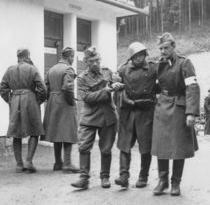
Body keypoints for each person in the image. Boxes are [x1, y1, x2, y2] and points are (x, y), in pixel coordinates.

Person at [151, 33, 200, 196]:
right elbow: (154, 85)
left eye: (166, 48)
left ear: (173, 46)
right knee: (161, 146)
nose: (163, 51)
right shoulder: (158, 65)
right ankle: (162, 181)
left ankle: (175, 182)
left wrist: (191, 113)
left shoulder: (185, 63)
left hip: (179, 107)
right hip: (162, 107)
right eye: (161, 49)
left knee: (179, 146)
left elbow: (192, 88)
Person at [71, 46, 123, 190]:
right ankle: (83, 178)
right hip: (90, 116)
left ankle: (105, 176)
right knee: (84, 146)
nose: (95, 64)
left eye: (97, 60)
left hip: (107, 115)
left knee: (106, 149)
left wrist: (117, 84)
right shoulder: (81, 78)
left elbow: (116, 82)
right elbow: (87, 97)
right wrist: (106, 90)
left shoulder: (107, 72)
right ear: (86, 62)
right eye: (91, 61)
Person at [114, 42, 157, 189]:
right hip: (128, 111)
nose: (139, 58)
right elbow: (114, 79)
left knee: (145, 147)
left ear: (146, 55)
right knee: (124, 145)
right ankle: (123, 176)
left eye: (141, 55)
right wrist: (117, 86)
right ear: (131, 57)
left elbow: (163, 82)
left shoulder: (152, 68)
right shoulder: (124, 69)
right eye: (136, 56)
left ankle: (143, 177)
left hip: (145, 111)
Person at [0, 48, 46, 173]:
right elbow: (42, 88)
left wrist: (10, 100)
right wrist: (38, 100)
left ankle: (19, 164)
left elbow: (2, 87)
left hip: (15, 100)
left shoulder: (10, 69)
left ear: (18, 57)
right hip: (30, 100)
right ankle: (28, 161)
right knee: (35, 131)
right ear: (28, 56)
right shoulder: (32, 69)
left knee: (16, 132)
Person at [42, 47, 78, 173]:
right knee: (68, 132)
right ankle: (67, 163)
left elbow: (45, 87)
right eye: (73, 57)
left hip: (53, 101)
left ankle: (58, 163)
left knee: (57, 133)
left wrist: (50, 99)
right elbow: (68, 87)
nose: (73, 59)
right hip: (64, 102)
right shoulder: (68, 68)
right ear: (70, 57)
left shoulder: (52, 69)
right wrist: (72, 102)